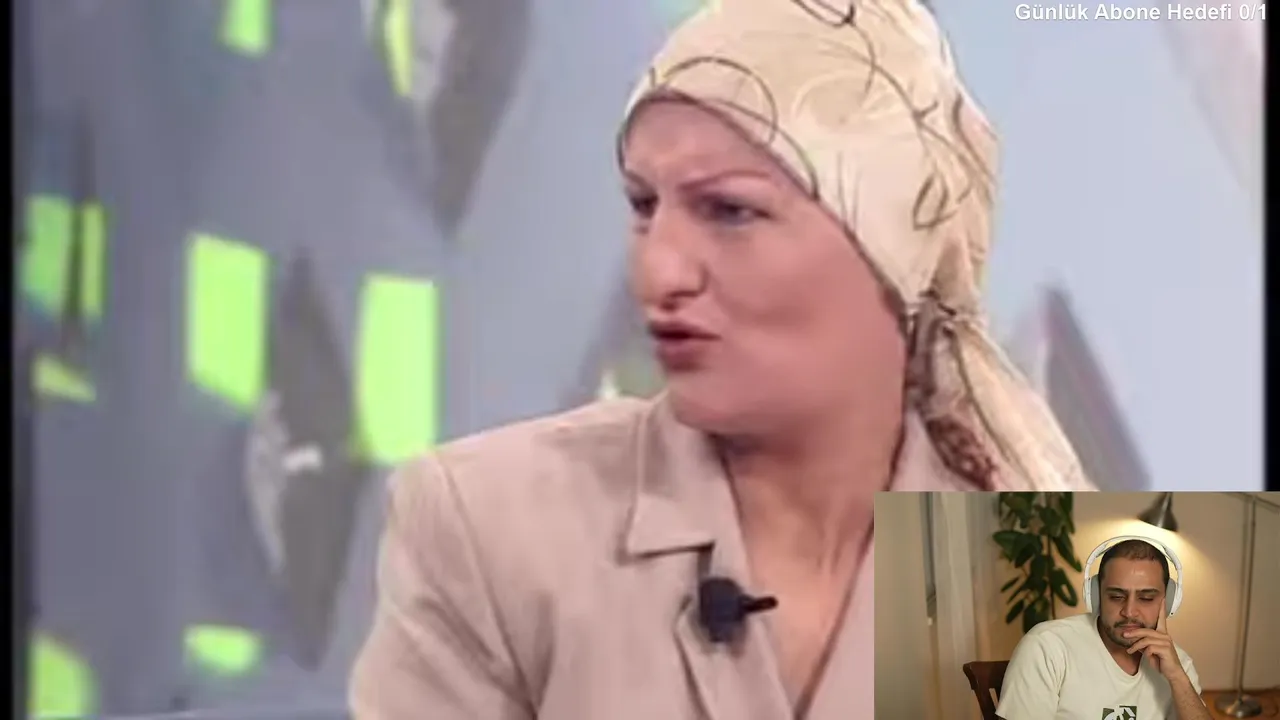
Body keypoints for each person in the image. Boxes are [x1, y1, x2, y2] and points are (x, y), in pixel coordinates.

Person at [350, 0, 1095, 717]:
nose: (658, 272)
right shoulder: (488, 530)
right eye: (644, 205)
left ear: (890, 248)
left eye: (730, 211)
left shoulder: (1069, 579)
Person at [997, 539, 1210, 720]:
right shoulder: (1047, 646)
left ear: (1169, 601)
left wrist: (1177, 677)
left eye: (1146, 598)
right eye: (1116, 596)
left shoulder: (1178, 665)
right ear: (1096, 595)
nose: (1129, 612)